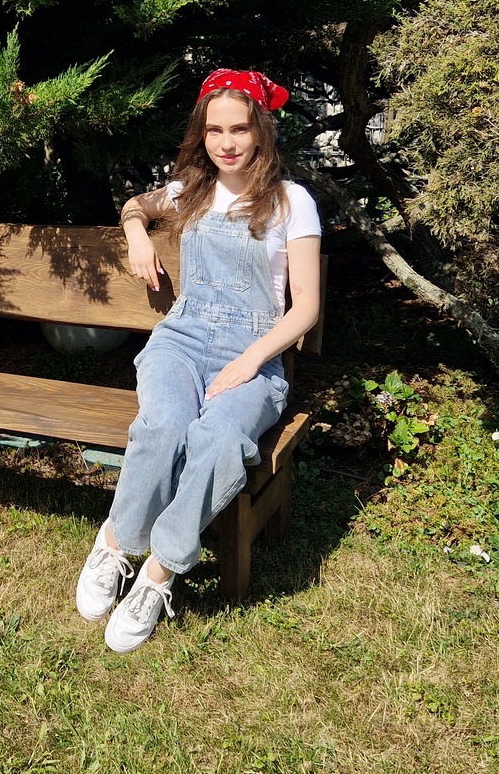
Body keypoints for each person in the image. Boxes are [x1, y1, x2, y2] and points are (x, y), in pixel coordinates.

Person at [76, 69, 322, 653]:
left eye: (239, 129)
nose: (226, 143)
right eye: (215, 130)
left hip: (254, 352)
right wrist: (137, 233)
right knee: (162, 426)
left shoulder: (293, 202)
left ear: (261, 131)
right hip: (181, 342)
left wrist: (252, 360)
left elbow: (307, 306)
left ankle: (159, 571)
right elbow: (135, 205)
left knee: (219, 441)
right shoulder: (189, 191)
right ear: (202, 134)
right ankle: (115, 543)